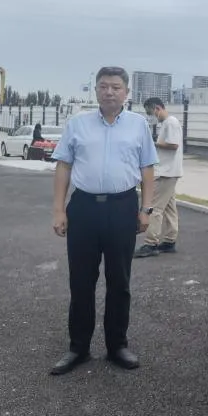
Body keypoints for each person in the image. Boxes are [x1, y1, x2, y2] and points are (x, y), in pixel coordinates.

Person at [50, 66, 158, 375]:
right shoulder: (77, 124)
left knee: (119, 281)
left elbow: (148, 168)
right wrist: (59, 210)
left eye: (115, 87)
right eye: (103, 86)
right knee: (81, 281)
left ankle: (117, 345)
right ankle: (78, 347)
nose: (109, 92)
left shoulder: (139, 125)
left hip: (122, 207)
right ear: (96, 89)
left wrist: (146, 209)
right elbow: (63, 166)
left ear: (126, 92)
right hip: (84, 208)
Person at [134, 97, 184, 258]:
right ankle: (169, 240)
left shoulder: (171, 122)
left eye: (150, 112)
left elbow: (173, 145)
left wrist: (152, 143)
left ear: (157, 108)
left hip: (166, 172)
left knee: (154, 208)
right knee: (169, 208)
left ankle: (151, 243)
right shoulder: (168, 123)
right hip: (169, 171)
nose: (150, 116)